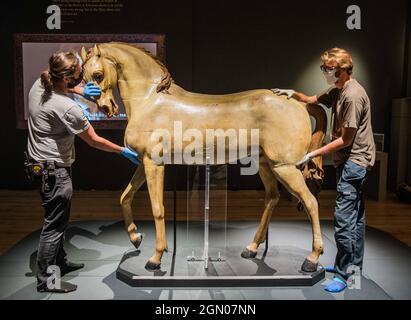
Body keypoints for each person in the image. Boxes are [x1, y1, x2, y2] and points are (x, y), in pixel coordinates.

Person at [27, 51, 139, 293]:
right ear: (67, 79)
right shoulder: (68, 108)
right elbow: (95, 141)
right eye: (79, 75)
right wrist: (123, 151)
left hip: (39, 165)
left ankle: (60, 262)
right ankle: (47, 279)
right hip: (54, 170)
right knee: (54, 225)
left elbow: (54, 80)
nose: (83, 79)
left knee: (58, 218)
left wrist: (79, 91)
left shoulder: (40, 85)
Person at [273, 47, 376, 293]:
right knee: (357, 219)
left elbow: (346, 140)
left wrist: (311, 153)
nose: (325, 73)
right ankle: (353, 268)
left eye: (328, 69)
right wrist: (292, 93)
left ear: (341, 70)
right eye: (324, 68)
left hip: (355, 162)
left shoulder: (352, 96)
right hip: (349, 162)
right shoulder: (338, 90)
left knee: (344, 220)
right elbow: (311, 100)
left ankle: (344, 275)